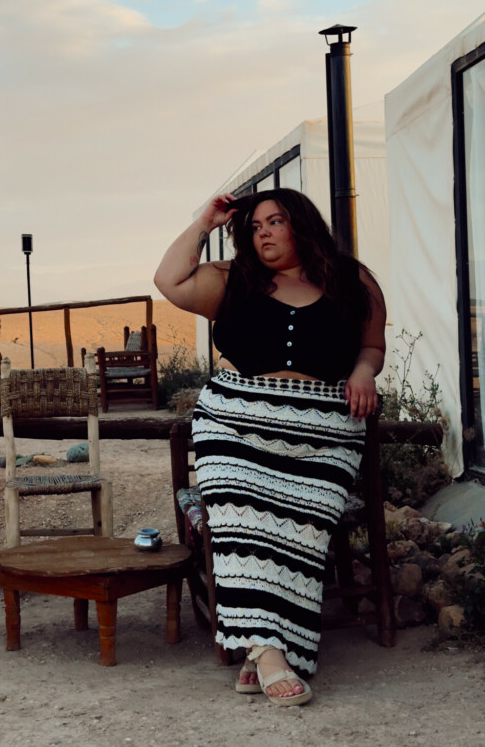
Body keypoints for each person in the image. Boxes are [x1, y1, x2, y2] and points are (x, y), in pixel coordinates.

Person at [154, 189, 386, 707]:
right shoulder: (234, 280)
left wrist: (363, 371)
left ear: (301, 223)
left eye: (275, 221)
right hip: (234, 426)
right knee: (240, 514)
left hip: (323, 433)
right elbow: (168, 280)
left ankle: (258, 652)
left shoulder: (352, 281)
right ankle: (270, 652)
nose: (263, 232)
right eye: (255, 225)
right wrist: (205, 221)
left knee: (308, 519)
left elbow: (372, 345)